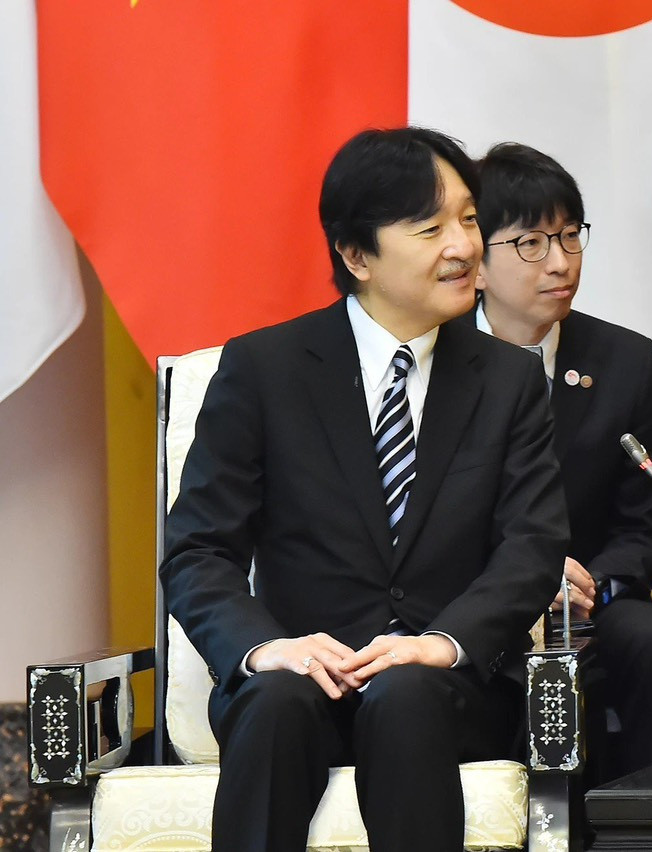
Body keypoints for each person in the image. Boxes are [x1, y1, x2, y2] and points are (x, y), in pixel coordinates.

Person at [159, 127, 568, 852]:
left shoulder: (508, 379)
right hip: (299, 676)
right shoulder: (264, 369)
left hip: (446, 691)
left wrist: (443, 643)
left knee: (406, 695)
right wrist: (263, 649)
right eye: (430, 227)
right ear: (356, 256)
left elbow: (531, 549)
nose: (464, 246)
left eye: (469, 219)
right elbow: (199, 549)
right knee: (277, 702)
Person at [467, 141, 652, 783]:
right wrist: (521, 578)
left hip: (589, 600)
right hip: (466, 598)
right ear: (476, 263)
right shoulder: (437, 365)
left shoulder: (624, 363)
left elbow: (648, 527)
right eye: (531, 244)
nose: (561, 263)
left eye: (571, 237)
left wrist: (592, 586)